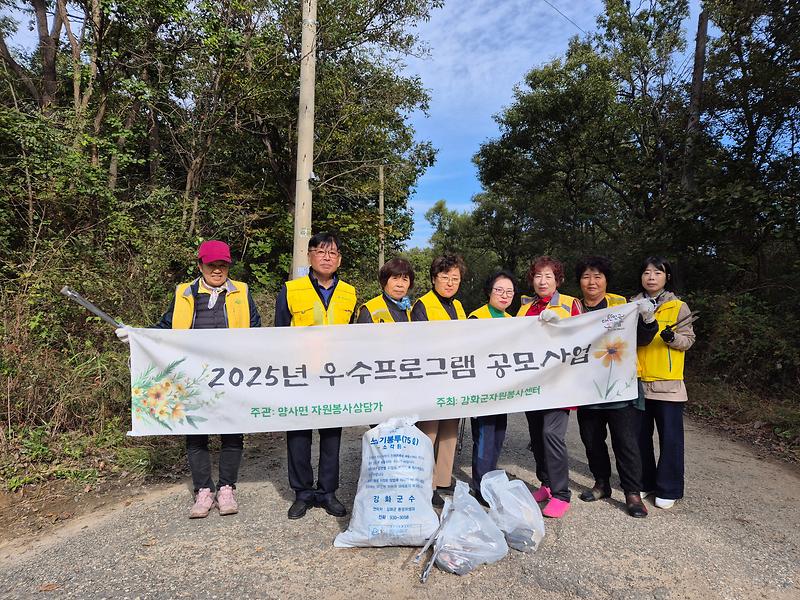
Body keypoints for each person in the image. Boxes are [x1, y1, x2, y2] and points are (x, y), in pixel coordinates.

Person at [117, 240, 262, 519]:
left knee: (232, 430)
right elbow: (165, 326)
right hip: (190, 375)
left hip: (229, 374)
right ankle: (203, 490)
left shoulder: (241, 292)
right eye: (211, 265)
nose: (217, 270)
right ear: (200, 266)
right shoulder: (185, 292)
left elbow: (255, 328)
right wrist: (136, 335)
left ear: (229, 266)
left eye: (223, 265)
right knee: (196, 433)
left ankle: (227, 487)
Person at [274, 232, 357, 520]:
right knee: (298, 435)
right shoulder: (290, 290)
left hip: (335, 376)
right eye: (321, 251)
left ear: (340, 259)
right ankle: (302, 493)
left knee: (332, 435)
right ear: (309, 255)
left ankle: (327, 492)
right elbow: (279, 334)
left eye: (333, 253)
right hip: (300, 375)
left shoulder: (349, 291)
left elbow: (355, 337)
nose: (327, 257)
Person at [574, 256, 658, 518]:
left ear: (606, 280)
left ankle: (632, 493)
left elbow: (642, 339)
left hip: (620, 388)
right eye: (587, 276)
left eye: (598, 276)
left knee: (626, 442)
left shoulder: (622, 305)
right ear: (580, 281)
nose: (592, 281)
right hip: (586, 388)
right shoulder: (572, 310)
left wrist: (646, 319)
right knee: (592, 440)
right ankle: (601, 483)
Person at [519, 255, 582, 518]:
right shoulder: (525, 308)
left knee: (551, 435)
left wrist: (563, 329)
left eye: (548, 276)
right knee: (536, 436)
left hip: (560, 383)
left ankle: (561, 493)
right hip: (533, 384)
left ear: (558, 279)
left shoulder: (570, 304)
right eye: (537, 275)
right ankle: (545, 483)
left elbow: (585, 337)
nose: (542, 281)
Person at [632, 257, 695, 510]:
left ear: (667, 277)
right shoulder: (632, 305)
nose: (651, 277)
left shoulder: (679, 306)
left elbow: (688, 340)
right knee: (639, 438)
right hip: (636, 381)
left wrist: (673, 338)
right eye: (646, 272)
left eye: (658, 272)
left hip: (668, 384)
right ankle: (645, 481)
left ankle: (669, 488)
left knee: (670, 439)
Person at [411, 254, 467, 508]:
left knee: (449, 431)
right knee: (429, 432)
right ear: (434, 279)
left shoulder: (457, 306)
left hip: (453, 378)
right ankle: (425, 483)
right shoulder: (422, 305)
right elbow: (420, 343)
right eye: (444, 277)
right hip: (432, 379)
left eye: (455, 278)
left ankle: (443, 478)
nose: (449, 282)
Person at [467, 269, 515, 505]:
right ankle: (480, 487)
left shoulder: (512, 321)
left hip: (503, 390)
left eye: (509, 292)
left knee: (497, 436)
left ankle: (489, 481)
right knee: (484, 438)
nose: (504, 296)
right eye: (499, 290)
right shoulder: (476, 317)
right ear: (489, 292)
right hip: (483, 391)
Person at [356, 258, 415, 323]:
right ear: (384, 281)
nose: (400, 284)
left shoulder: (412, 310)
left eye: (405, 279)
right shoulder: (370, 310)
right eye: (395, 278)